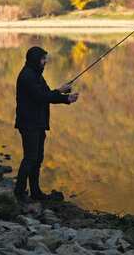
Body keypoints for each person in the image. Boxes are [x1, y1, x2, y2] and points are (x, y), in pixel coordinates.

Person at [14, 46, 79, 201]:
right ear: (36, 60)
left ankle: (35, 192)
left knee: (37, 158)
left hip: (37, 123)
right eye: (43, 59)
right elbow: (41, 97)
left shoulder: (35, 75)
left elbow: (47, 95)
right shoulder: (27, 76)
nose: (46, 62)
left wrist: (65, 97)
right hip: (29, 124)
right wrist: (61, 92)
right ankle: (19, 192)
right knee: (30, 158)